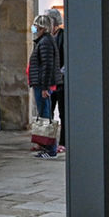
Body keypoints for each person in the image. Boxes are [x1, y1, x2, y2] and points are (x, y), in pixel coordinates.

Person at [28, 14, 62, 158]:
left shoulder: (45, 42)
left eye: (36, 25)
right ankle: (46, 147)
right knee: (43, 114)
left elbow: (47, 66)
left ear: (42, 27)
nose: (34, 28)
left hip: (43, 84)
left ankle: (50, 149)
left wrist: (44, 87)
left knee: (46, 116)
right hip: (40, 83)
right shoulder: (43, 41)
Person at [48, 8, 67, 151]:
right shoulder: (46, 38)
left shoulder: (63, 36)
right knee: (47, 112)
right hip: (48, 81)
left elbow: (66, 58)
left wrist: (60, 73)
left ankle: (63, 142)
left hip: (60, 81)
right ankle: (46, 142)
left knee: (62, 112)